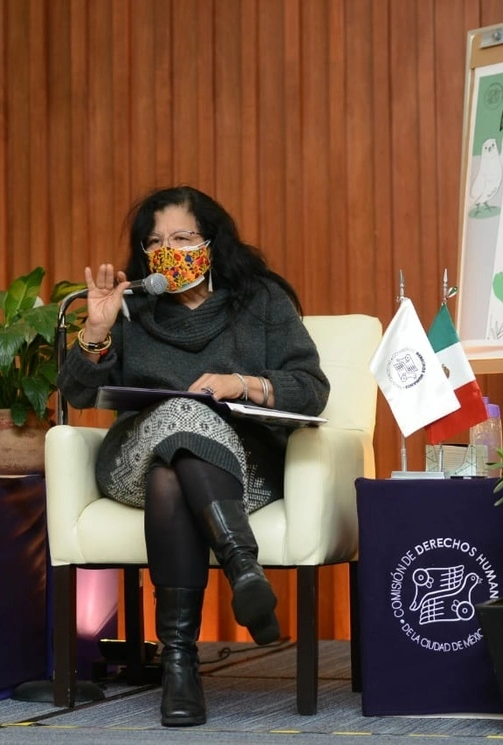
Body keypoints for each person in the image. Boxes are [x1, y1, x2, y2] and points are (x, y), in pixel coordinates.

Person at [56, 185, 330, 727]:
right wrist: (96, 329)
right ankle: (241, 567)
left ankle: (180, 662)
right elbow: (77, 393)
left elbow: (311, 388)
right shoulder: (132, 311)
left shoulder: (261, 300)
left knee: (173, 475)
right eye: (156, 242)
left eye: (182, 237)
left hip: (240, 468)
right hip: (133, 459)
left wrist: (242, 383)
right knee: (178, 417)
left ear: (211, 241)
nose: (169, 251)